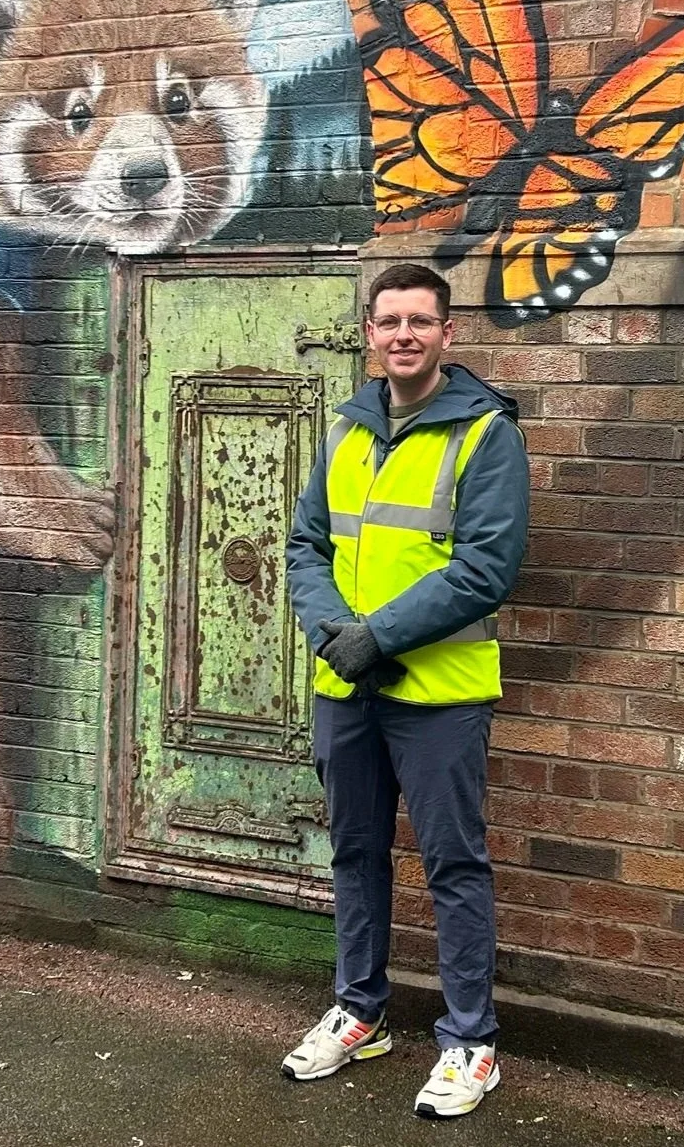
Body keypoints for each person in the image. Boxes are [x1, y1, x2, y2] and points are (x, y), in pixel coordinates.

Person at [280, 261, 529, 1119]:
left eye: (419, 321)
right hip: (344, 688)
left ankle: (470, 1042)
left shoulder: (485, 433)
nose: (403, 336)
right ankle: (361, 1011)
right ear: (370, 333)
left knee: (454, 865)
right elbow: (305, 545)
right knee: (354, 854)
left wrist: (376, 637)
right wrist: (333, 637)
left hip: (440, 695)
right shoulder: (348, 431)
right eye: (388, 322)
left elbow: (486, 569)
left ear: (446, 332)